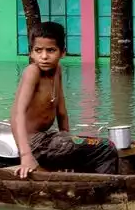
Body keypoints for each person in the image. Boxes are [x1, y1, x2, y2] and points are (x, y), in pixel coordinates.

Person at [9, 21, 118, 178]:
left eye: (51, 50)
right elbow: (17, 114)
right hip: (34, 145)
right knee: (106, 147)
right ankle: (104, 189)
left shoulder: (57, 71)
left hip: (48, 139)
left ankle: (91, 183)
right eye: (38, 50)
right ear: (31, 53)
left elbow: (61, 112)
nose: (44, 56)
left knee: (94, 147)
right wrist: (25, 156)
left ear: (62, 52)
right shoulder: (32, 72)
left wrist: (67, 140)